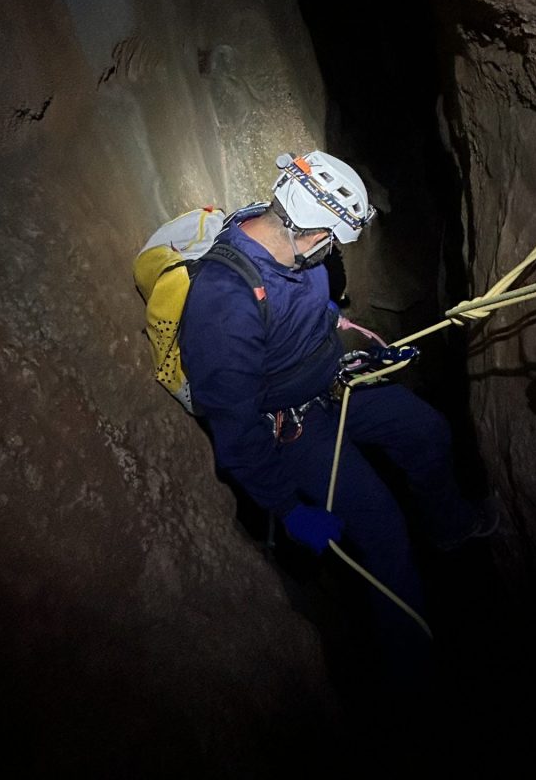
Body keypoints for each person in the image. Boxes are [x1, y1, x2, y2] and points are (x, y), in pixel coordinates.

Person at [179, 150, 498, 704]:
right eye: (332, 241)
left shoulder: (287, 241)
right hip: (296, 427)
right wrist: (289, 507)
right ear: (306, 229)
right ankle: (411, 682)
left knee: (425, 430)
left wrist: (338, 322)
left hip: (334, 384)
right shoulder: (225, 305)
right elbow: (236, 433)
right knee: (384, 532)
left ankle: (449, 527)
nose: (333, 253)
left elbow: (303, 305)